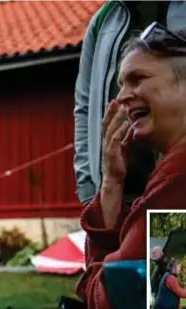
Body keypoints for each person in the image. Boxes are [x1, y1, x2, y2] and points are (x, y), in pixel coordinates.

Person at [75, 23, 186, 309]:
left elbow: (117, 305)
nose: (122, 96)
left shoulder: (179, 174)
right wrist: (111, 182)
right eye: (122, 83)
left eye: (138, 79)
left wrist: (93, 283)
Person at [74, 1, 186, 206]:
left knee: (163, 235)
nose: (122, 96)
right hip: (118, 194)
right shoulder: (102, 21)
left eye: (138, 79)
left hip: (174, 189)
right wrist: (90, 188)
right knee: (135, 237)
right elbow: (84, 106)